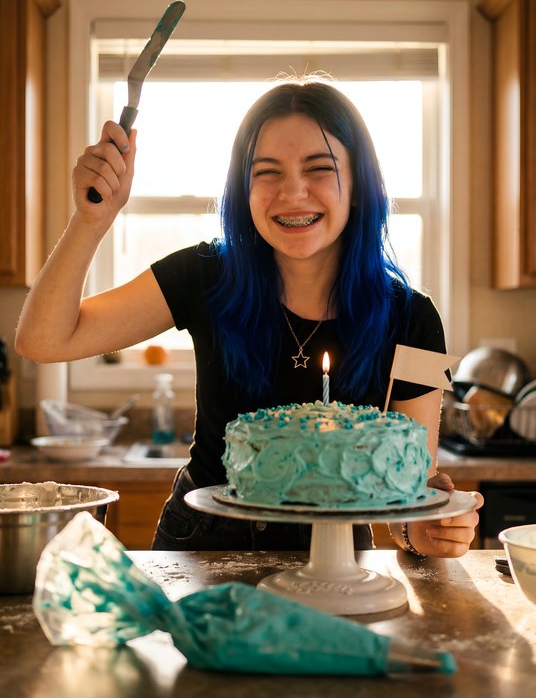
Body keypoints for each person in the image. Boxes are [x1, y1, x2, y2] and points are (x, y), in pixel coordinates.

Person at [15, 78, 483, 556]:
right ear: (244, 189)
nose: (293, 192)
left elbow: (413, 487)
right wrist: (91, 220)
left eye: (319, 168)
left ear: (359, 185)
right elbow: (42, 341)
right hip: (201, 551)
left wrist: (423, 532)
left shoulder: (419, 320)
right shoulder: (202, 274)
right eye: (267, 172)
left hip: (339, 556)